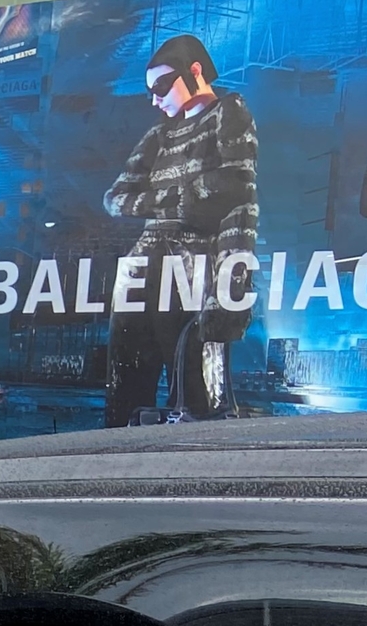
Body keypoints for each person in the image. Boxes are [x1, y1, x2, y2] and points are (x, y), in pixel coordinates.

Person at [101, 32, 256, 425]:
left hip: (194, 265)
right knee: (124, 385)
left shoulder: (228, 110)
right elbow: (115, 198)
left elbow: (238, 190)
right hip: (144, 267)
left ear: (196, 71)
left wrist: (231, 287)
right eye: (151, 90)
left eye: (161, 86)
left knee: (197, 393)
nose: (155, 98)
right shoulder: (158, 135)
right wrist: (183, 200)